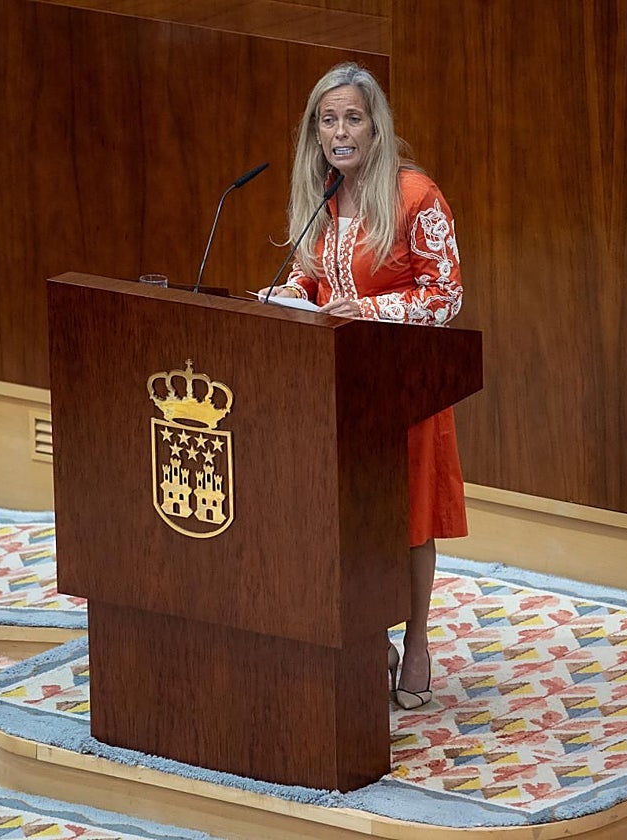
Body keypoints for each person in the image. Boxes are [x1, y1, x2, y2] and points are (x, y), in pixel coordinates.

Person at [265, 62, 467, 710]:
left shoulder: (415, 195)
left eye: (352, 117)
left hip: (402, 389)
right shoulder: (321, 194)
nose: (340, 131)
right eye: (329, 120)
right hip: (337, 390)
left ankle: (416, 644)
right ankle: (364, 637)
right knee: (348, 518)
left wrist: (369, 312)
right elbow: (315, 281)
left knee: (406, 523)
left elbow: (447, 296)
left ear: (375, 127)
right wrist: (286, 295)